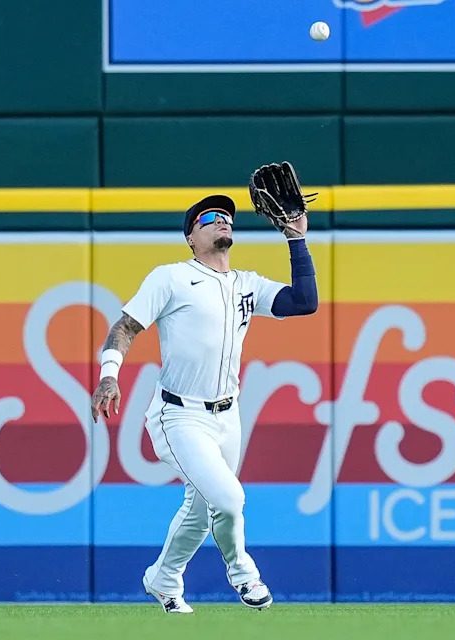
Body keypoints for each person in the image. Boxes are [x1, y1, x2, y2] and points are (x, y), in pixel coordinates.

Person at [90, 183, 318, 614]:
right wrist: (108, 376)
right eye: (209, 218)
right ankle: (243, 573)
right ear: (191, 238)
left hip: (227, 417)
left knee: (200, 511)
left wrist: (297, 236)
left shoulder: (246, 284)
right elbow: (126, 326)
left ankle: (163, 578)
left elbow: (305, 301)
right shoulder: (172, 277)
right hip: (178, 416)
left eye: (227, 216)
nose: (222, 220)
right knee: (230, 499)